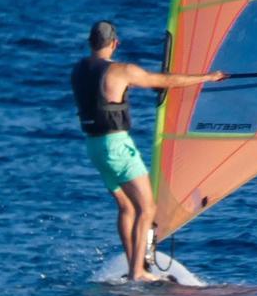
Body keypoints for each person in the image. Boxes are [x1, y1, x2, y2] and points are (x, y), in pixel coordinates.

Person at [71, 20, 224, 281]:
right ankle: (137, 272)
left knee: (126, 207)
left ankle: (134, 265)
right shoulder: (121, 71)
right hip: (116, 146)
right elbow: (163, 80)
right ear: (114, 44)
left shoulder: (78, 70)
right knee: (147, 208)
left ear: (90, 43)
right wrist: (207, 78)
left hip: (94, 147)